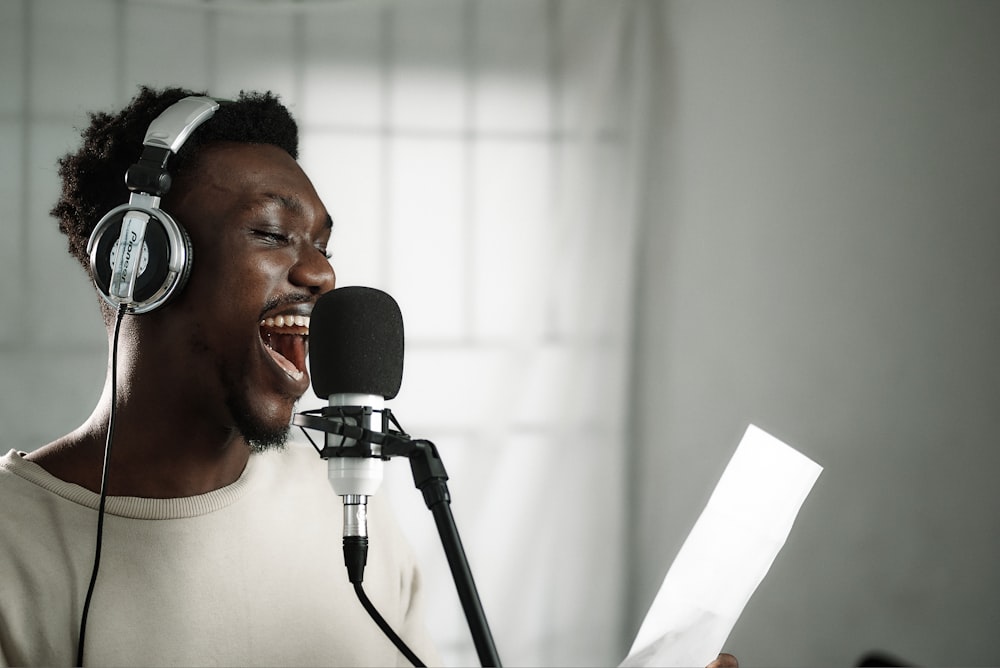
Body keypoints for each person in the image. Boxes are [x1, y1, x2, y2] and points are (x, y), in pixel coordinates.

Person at [0, 86, 440, 667]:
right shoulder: (11, 547)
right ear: (140, 262)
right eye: (272, 233)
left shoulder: (349, 498)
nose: (322, 273)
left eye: (323, 246)